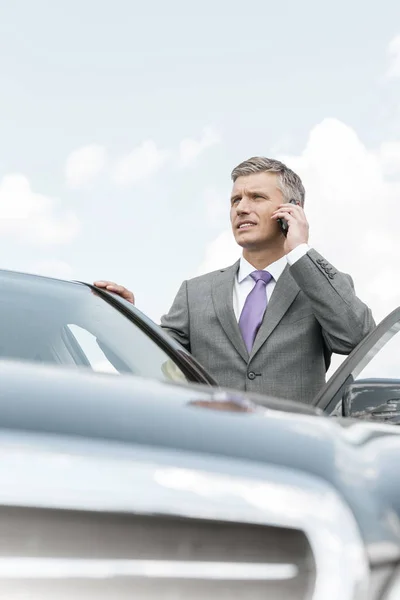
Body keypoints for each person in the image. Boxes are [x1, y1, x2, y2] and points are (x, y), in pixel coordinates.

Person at [94, 157, 375, 404]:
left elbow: (356, 338)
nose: (241, 208)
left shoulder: (317, 284)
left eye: (256, 197)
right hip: (216, 449)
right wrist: (125, 320)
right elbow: (153, 365)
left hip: (295, 448)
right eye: (235, 200)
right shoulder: (195, 293)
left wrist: (301, 251)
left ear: (292, 210)